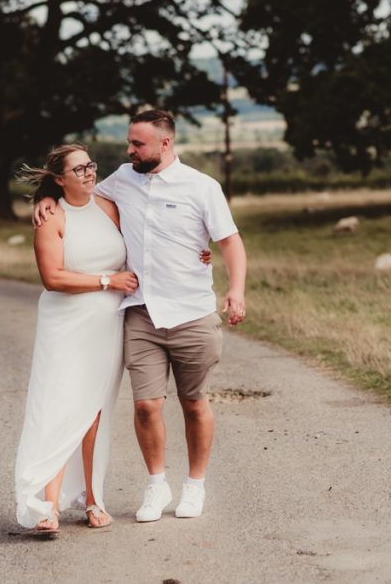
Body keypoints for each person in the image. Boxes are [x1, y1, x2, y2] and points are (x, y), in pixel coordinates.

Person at [34, 109, 247, 522]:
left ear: (165, 144)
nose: (129, 150)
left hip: (192, 313)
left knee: (194, 402)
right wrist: (46, 197)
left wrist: (235, 291)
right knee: (146, 406)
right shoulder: (122, 179)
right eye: (130, 142)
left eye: (138, 144)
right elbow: (79, 194)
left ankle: (195, 487)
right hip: (141, 314)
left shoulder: (202, 187)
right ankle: (156, 486)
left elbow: (230, 242)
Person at [14, 143, 211, 533]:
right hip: (64, 323)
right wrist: (108, 280)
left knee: (94, 413)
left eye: (91, 166)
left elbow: (149, 240)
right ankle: (46, 505)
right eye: (79, 170)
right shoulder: (51, 216)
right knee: (60, 407)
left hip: (107, 325)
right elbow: (52, 278)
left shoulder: (109, 208)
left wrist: (196, 253)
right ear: (59, 180)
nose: (89, 174)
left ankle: (92, 499)